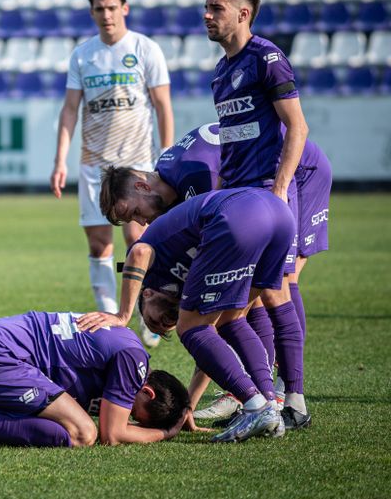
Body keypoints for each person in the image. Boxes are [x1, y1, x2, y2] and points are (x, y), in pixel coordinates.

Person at [99, 125, 329, 428]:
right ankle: (264, 395)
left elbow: (140, 253)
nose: (140, 222)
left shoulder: (195, 177)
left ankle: (282, 396)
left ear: (141, 186)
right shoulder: (173, 178)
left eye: (134, 212)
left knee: (276, 289)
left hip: (294, 169)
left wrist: (123, 314)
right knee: (242, 302)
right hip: (261, 199)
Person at [81, 188, 295, 443]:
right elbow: (210, 350)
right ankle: (270, 406)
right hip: (280, 215)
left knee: (193, 327)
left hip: (241, 213)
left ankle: (256, 406)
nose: (165, 323)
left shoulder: (151, 270)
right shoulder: (183, 284)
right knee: (231, 319)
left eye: (153, 321)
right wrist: (187, 407)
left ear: (146, 295)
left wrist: (123, 314)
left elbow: (138, 253)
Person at [202, 0, 311, 429]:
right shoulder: (220, 73)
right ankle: (265, 395)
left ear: (243, 14)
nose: (208, 15)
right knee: (248, 300)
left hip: (268, 193)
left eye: (216, 8)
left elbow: (297, 128)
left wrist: (280, 189)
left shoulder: (267, 58)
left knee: (270, 291)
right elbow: (231, 145)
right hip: (239, 197)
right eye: (206, 8)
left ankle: (291, 399)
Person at [49, 0, 173, 344]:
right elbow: (70, 109)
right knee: (99, 244)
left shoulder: (145, 49)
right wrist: (60, 160)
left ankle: (148, 311)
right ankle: (107, 315)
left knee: (140, 241)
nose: (106, 15)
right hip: (94, 166)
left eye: (112, 7)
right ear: (92, 12)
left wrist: (166, 154)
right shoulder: (83, 55)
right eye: (99, 9)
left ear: (125, 8)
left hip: (137, 165)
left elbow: (162, 104)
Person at [0, 311, 189, 451]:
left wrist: (182, 409)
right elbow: (111, 435)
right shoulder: (133, 359)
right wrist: (163, 433)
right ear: (148, 392)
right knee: (82, 433)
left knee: (58, 423)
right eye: (135, 417)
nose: (129, 420)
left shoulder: (127, 347)